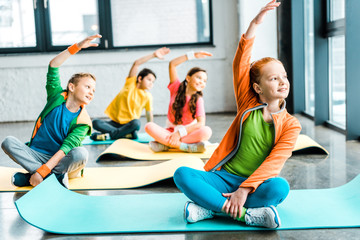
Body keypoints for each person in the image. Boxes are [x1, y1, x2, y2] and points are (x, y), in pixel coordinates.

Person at [173, 0, 301, 228]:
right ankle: (247, 215)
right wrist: (254, 24)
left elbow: (274, 163)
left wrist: (244, 190)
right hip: (222, 178)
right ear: (258, 88)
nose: (282, 81)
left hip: (257, 183)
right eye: (273, 78)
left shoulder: (291, 125)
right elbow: (240, 62)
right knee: (182, 174)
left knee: (280, 188)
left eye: (284, 76)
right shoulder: (247, 103)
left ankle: (209, 209)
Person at [1, 34, 101, 188]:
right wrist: (77, 47)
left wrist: (41, 172)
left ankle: (33, 178)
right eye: (88, 87)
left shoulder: (83, 122)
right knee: (8, 142)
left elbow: (64, 150)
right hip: (36, 154)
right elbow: (54, 65)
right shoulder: (56, 96)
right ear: (72, 87)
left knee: (80, 154)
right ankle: (54, 179)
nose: (91, 92)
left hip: (60, 160)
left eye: (93, 90)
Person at [90, 47, 170, 141]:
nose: (151, 83)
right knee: (95, 122)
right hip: (114, 123)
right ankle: (122, 135)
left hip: (129, 124)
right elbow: (136, 63)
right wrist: (153, 55)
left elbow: (149, 114)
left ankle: (108, 135)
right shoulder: (131, 83)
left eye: (153, 82)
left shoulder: (147, 96)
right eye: (149, 80)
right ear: (140, 79)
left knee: (136, 123)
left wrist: (152, 131)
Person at [144, 50, 213, 153]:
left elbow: (200, 123)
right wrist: (192, 55)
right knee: (149, 126)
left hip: (186, 133)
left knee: (206, 131)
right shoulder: (175, 88)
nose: (201, 82)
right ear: (188, 78)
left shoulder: (199, 100)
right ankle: (184, 146)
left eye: (204, 81)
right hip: (170, 131)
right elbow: (172, 64)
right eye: (199, 77)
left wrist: (179, 134)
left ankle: (166, 145)